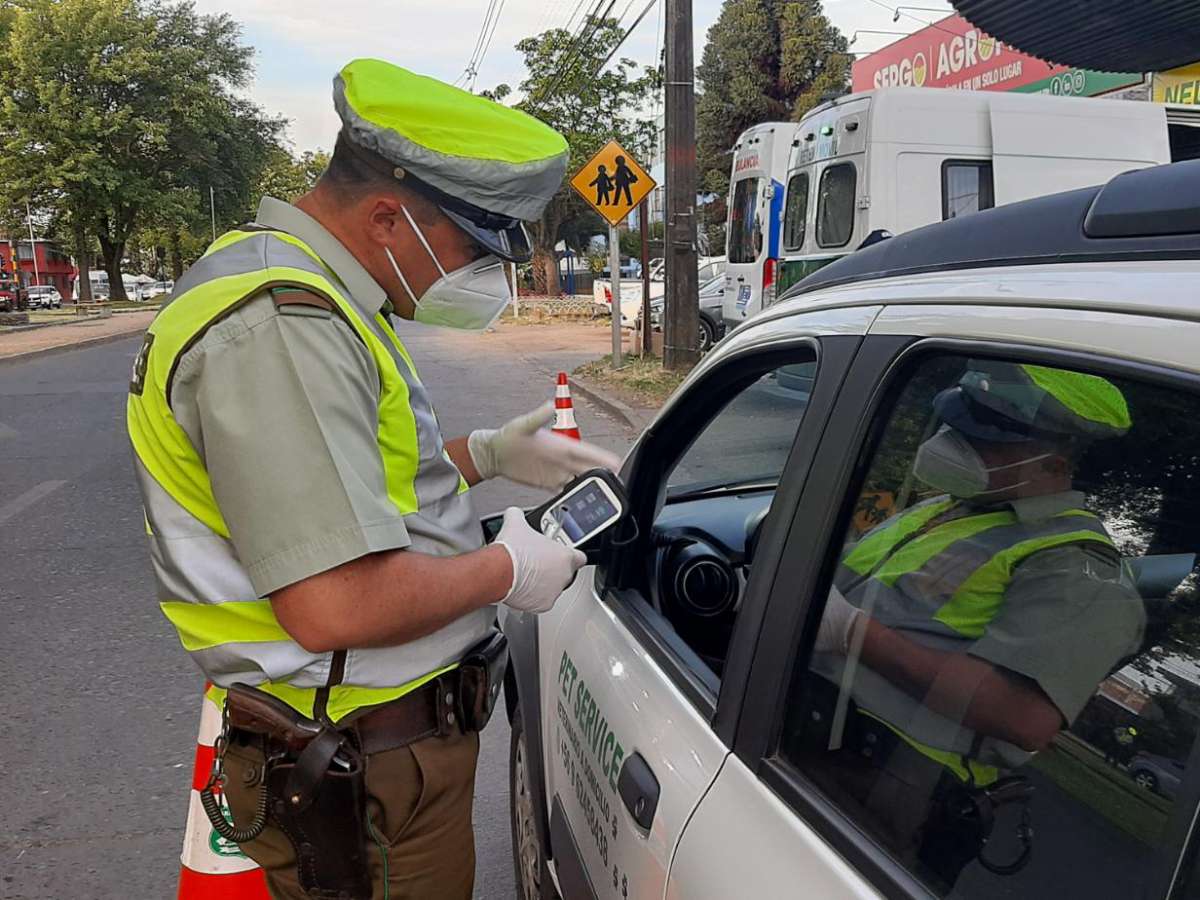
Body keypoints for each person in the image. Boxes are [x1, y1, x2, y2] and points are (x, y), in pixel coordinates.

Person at [126, 58, 620, 900]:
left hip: (363, 753)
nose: (484, 279)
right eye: (475, 248)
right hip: (357, 769)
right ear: (390, 217)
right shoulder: (283, 325)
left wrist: (487, 454)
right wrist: (508, 569)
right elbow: (335, 605)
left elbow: (347, 484)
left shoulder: (303, 287)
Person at [810, 361, 1146, 889]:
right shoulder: (952, 507)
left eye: (979, 440)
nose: (951, 444)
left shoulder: (1078, 569)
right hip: (816, 736)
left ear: (1052, 464)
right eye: (955, 428)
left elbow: (1024, 717)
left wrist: (854, 634)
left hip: (891, 786)